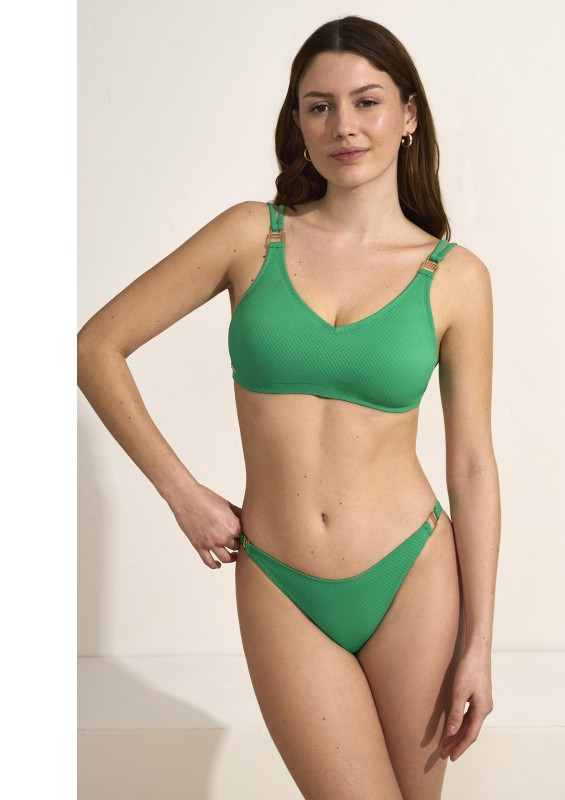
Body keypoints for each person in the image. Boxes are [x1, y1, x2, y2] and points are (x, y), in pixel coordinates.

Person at [78, 14, 500, 800]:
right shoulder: (252, 237)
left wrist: (478, 642)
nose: (344, 126)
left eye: (367, 101)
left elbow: (471, 463)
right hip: (281, 581)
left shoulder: (455, 277)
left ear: (408, 115)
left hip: (412, 574)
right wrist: (182, 493)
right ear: (298, 122)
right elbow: (95, 347)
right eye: (319, 106)